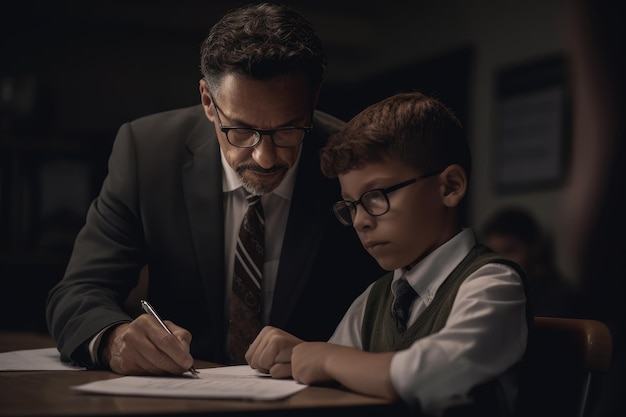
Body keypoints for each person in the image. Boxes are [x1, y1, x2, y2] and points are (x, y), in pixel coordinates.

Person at [45, 2, 382, 375]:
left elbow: (398, 308)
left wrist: (330, 356)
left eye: (288, 130)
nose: (265, 156)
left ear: (312, 103)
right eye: (240, 130)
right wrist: (114, 340)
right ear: (208, 101)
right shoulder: (147, 154)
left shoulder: (353, 162)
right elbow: (77, 293)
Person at [246, 92, 531, 416]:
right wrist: (297, 356)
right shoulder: (374, 299)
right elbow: (334, 376)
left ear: (450, 187)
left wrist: (324, 357)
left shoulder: (493, 285)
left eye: (376, 196)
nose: (360, 221)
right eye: (351, 206)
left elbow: (426, 374)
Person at [479, 206, 576, 317]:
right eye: (492, 253)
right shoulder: (492, 291)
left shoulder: (560, 298)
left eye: (509, 250)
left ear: (535, 247)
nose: (499, 261)